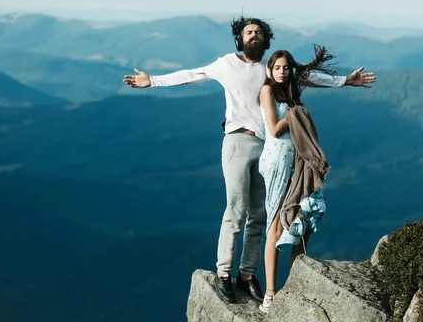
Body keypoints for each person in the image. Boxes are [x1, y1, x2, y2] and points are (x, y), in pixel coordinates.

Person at [123, 16, 376, 304]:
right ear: (239, 39)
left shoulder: (270, 70)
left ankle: (247, 274)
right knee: (236, 209)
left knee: (260, 214)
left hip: (267, 147)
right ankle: (223, 274)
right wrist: (152, 81)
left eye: (259, 33)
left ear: (266, 41)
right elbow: (192, 74)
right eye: (249, 32)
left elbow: (304, 76)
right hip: (237, 142)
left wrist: (346, 81)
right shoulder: (226, 64)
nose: (254, 35)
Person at [257, 47, 341, 314]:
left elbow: (317, 78)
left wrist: (347, 81)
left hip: (295, 160)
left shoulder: (290, 92)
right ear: (269, 69)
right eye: (277, 67)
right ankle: (270, 294)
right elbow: (273, 127)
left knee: (300, 216)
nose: (281, 72)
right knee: (274, 225)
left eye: (286, 67)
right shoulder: (267, 91)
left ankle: (296, 285)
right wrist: (296, 115)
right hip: (277, 161)